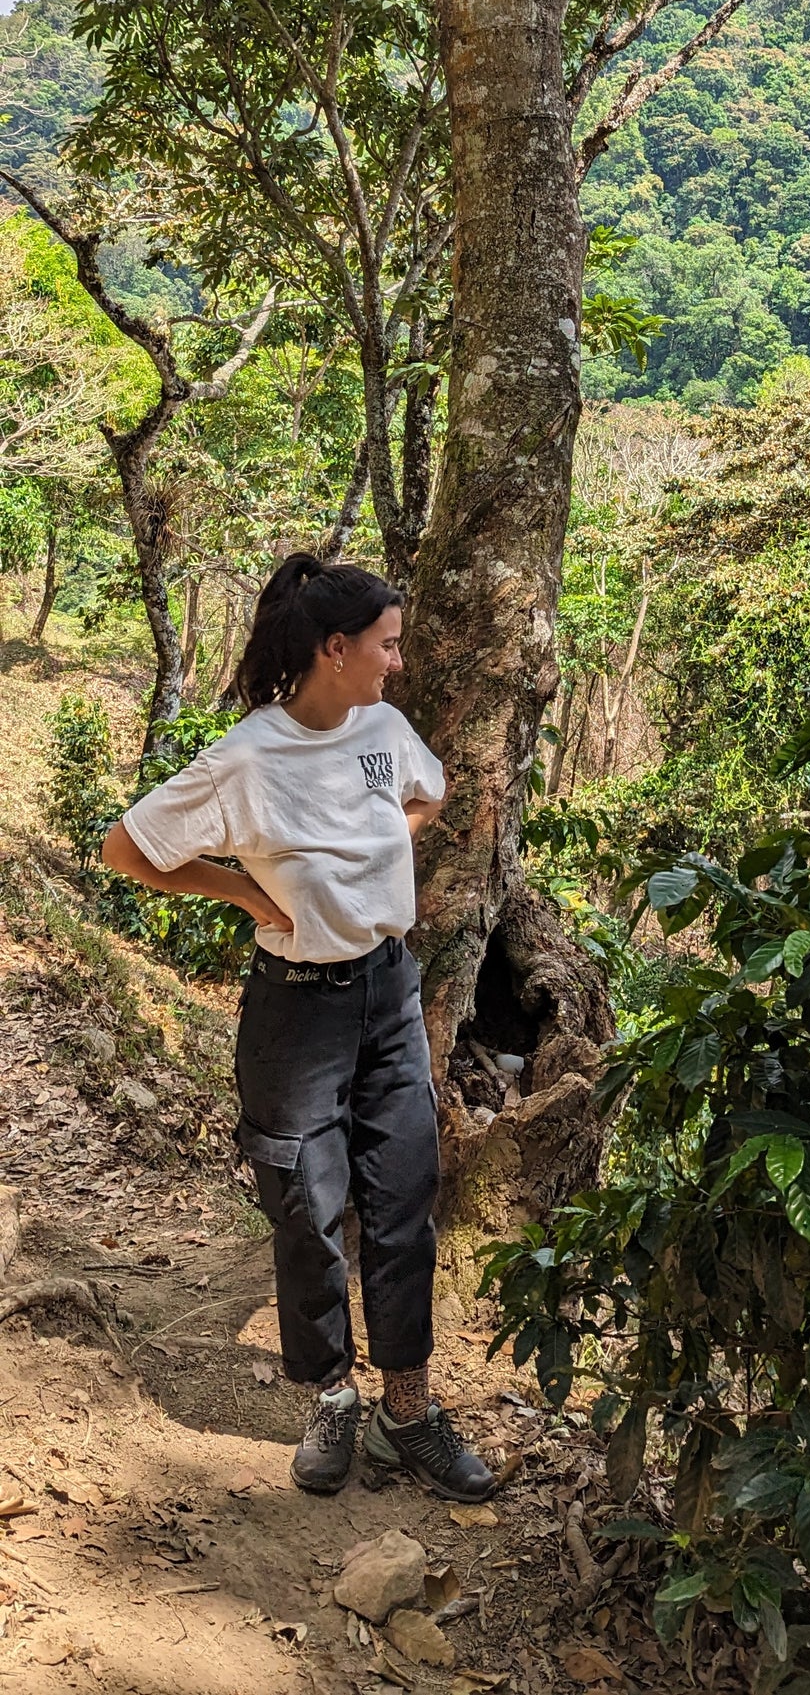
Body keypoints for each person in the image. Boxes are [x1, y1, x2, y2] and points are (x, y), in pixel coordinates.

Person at [101, 552, 494, 1502]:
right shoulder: (248, 755)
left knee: (403, 1202)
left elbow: (430, 792)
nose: (397, 664)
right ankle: (332, 1395)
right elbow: (128, 846)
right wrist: (241, 887)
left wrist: (374, 849)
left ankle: (409, 1407)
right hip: (295, 1011)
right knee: (307, 1208)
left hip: (389, 998)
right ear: (334, 648)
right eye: (386, 645)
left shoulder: (383, 729)